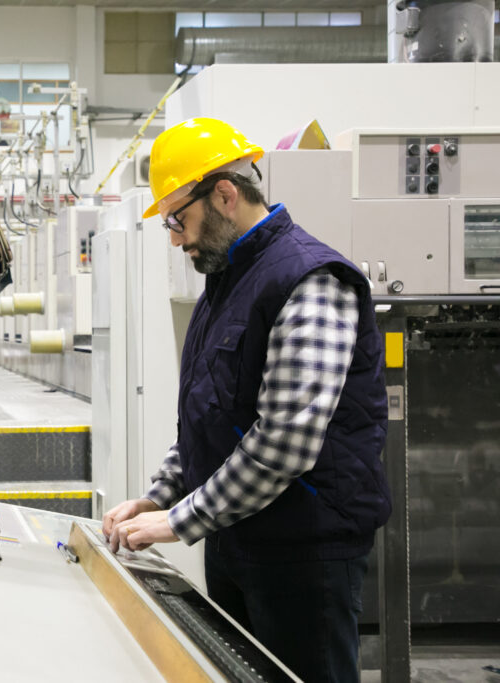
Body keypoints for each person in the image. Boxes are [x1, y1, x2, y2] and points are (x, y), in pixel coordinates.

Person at [101, 117, 391, 683]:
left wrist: (180, 521)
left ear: (225, 195)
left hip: (304, 552)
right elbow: (213, 416)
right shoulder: (228, 282)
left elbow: (285, 441)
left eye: (177, 219)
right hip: (241, 538)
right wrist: (159, 497)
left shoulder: (310, 280)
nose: (177, 237)